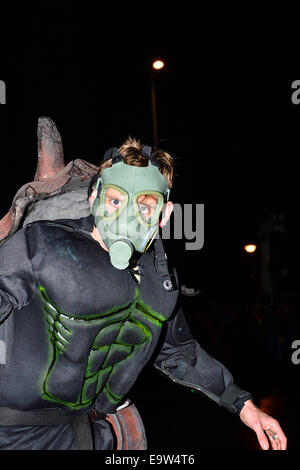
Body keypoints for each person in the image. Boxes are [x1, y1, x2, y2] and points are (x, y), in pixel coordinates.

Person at [0, 128, 287, 450]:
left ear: (165, 215)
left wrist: (245, 407)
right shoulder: (39, 247)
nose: (128, 215)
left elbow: (180, 352)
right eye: (115, 200)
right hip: (13, 434)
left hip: (85, 435)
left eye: (146, 205)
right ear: (94, 199)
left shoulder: (159, 279)